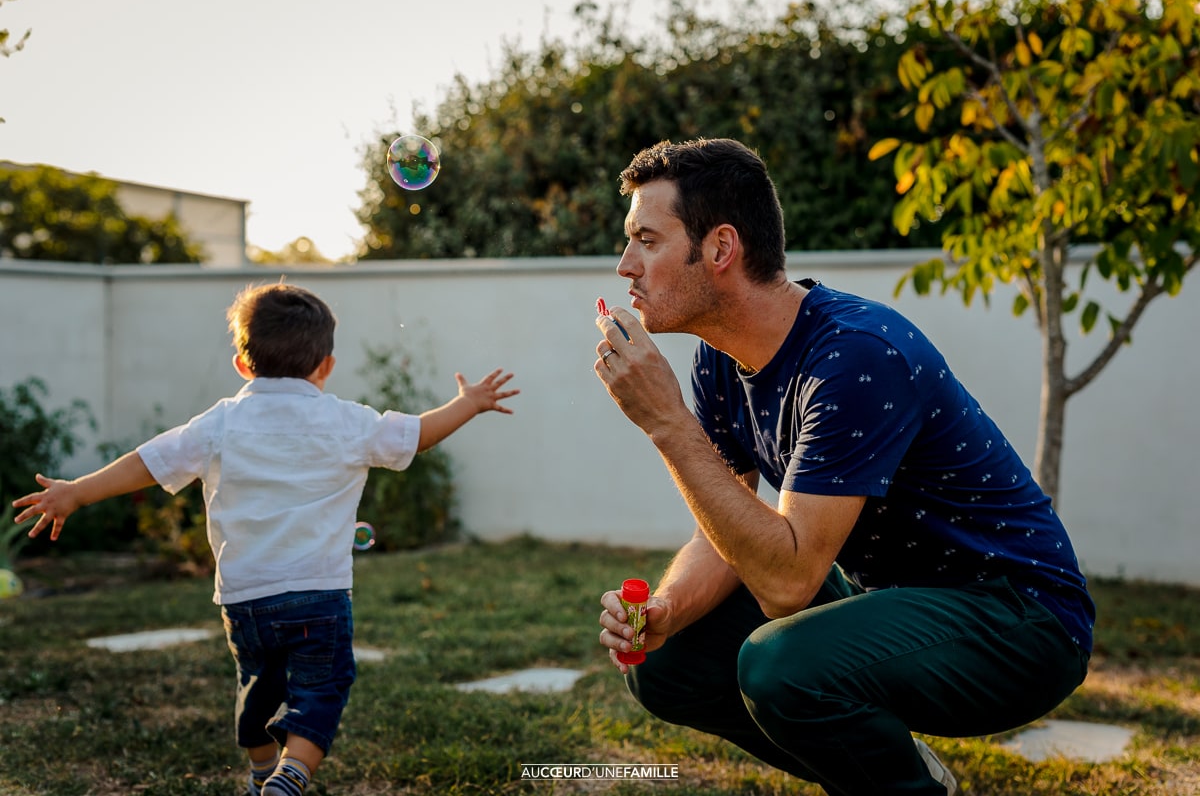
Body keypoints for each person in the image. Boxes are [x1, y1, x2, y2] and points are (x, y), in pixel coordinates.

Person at [593, 138, 1094, 796]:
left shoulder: (855, 355)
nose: (626, 265)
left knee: (783, 666)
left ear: (720, 249)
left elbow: (789, 582)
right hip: (889, 603)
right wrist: (666, 608)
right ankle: (897, 775)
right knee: (669, 665)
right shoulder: (719, 360)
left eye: (647, 240)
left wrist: (667, 422)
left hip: (1018, 620)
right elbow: (724, 538)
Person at [12, 282, 519, 796]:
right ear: (325, 365)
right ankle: (291, 776)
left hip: (245, 599)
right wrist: (468, 403)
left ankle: (260, 774)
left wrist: (77, 491)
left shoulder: (220, 424)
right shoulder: (346, 420)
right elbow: (418, 433)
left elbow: (150, 461)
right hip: (318, 595)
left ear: (242, 364)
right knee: (322, 686)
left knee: (258, 689)